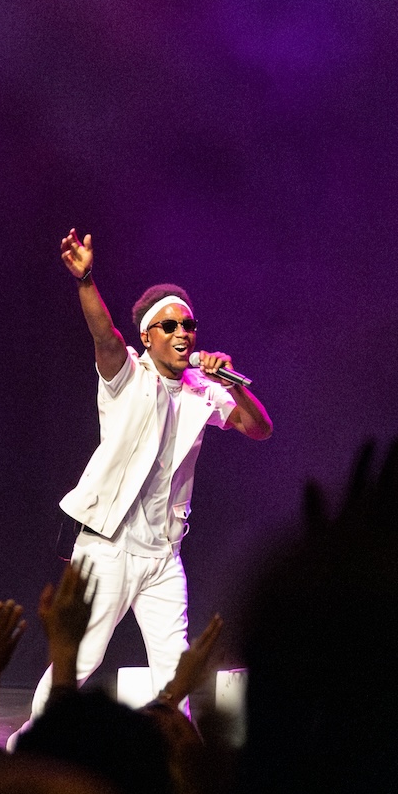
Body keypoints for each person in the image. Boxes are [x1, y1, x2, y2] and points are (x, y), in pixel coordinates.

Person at [31, 230, 273, 715]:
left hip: (163, 552)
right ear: (147, 335)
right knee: (79, 658)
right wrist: (85, 281)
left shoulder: (204, 388)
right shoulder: (128, 376)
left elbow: (259, 428)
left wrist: (232, 382)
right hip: (108, 545)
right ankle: (29, 748)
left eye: (189, 325)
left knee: (173, 665)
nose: (184, 334)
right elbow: (105, 335)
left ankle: (177, 759)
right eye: (170, 327)